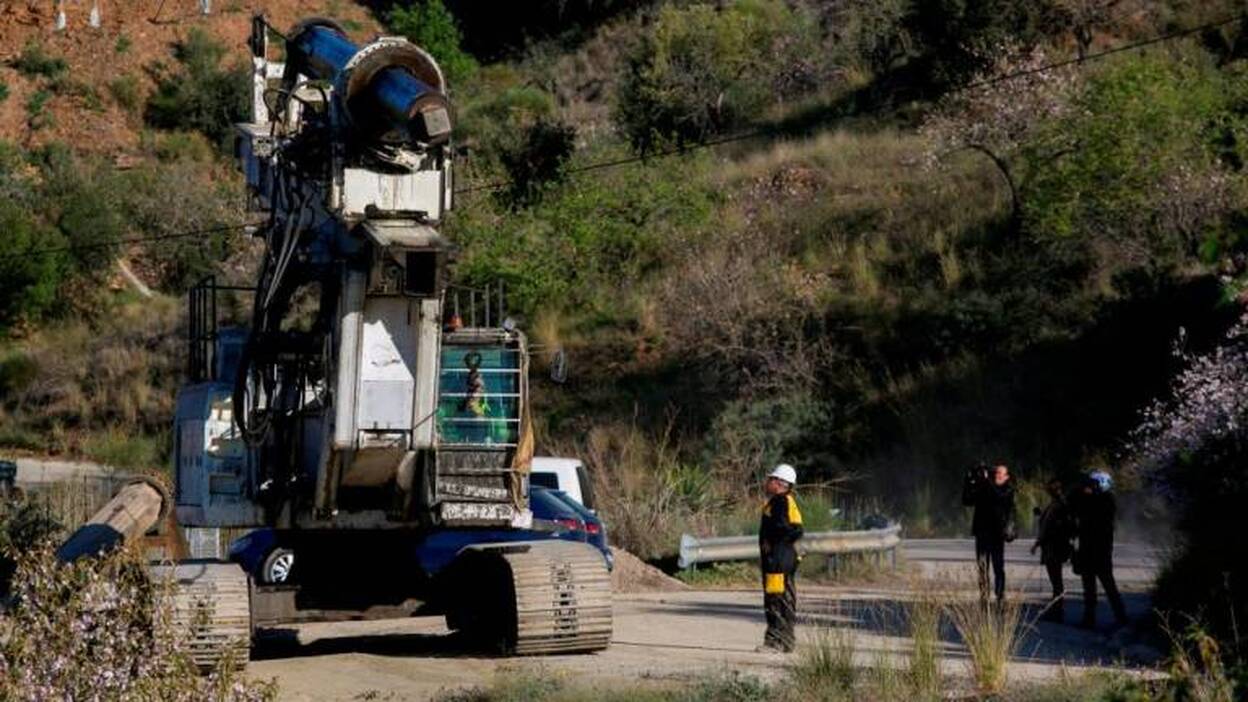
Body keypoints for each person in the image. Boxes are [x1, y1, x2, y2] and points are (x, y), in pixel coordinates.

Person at [1073, 470, 1127, 629]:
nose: (1087, 488)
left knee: (1108, 584)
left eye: (1092, 485)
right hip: (1087, 548)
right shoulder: (1090, 500)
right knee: (1089, 586)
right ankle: (1089, 618)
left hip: (1100, 550)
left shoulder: (1107, 500)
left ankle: (1121, 616)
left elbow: (1092, 520)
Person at [757, 463, 803, 653]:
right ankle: (786, 641)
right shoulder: (786, 501)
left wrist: (772, 542)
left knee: (775, 600)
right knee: (785, 599)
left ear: (779, 483)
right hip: (783, 558)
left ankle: (775, 642)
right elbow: (796, 530)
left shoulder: (780, 502)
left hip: (778, 560)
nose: (768, 482)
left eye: (771, 479)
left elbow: (788, 529)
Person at [962, 463, 1017, 603]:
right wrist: (968, 481)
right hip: (982, 534)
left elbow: (999, 497)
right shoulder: (985, 486)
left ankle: (1000, 596)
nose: (996, 475)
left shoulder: (1008, 489)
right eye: (995, 473)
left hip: (997, 534)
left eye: (1000, 473)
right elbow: (967, 500)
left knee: (998, 566)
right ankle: (984, 596)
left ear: (1007, 476)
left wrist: (986, 481)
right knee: (982, 567)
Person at [1031, 478, 1074, 621]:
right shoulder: (1059, 504)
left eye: (1050, 489)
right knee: (1056, 579)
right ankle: (1056, 608)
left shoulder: (1058, 505)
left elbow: (1048, 528)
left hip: (1054, 547)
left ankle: (1057, 610)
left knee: (1056, 580)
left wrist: (1037, 544)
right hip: (1056, 546)